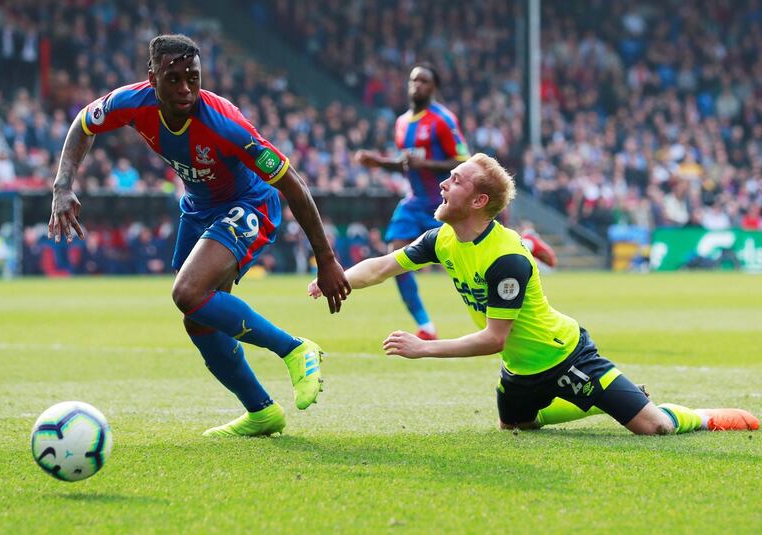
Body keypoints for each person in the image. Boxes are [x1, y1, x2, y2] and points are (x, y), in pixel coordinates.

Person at [309, 154, 759, 435]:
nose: (443, 184)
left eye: (456, 180)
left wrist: (423, 349)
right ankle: (598, 399)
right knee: (514, 426)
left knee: (653, 427)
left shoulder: (507, 260)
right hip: (521, 372)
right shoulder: (442, 237)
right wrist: (337, 276)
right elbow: (384, 266)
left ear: (479, 201)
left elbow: (493, 338)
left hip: (566, 356)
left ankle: (691, 413)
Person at [48, 34, 351, 437]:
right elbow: (84, 123)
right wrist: (62, 186)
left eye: (193, 77)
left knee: (187, 293)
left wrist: (326, 260)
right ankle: (261, 411)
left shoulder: (225, 124)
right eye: (174, 79)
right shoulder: (130, 103)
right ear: (151, 77)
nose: (186, 88)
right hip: (199, 208)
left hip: (250, 204)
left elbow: (292, 183)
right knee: (198, 318)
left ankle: (295, 350)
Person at [355, 64, 469, 341]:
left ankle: (526, 244)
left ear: (434, 87)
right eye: (413, 80)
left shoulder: (443, 120)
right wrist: (379, 162)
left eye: (424, 81)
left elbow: (464, 160)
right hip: (415, 201)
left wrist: (426, 163)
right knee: (395, 254)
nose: (416, 85)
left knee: (470, 258)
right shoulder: (402, 123)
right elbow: (408, 166)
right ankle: (426, 326)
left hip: (444, 201)